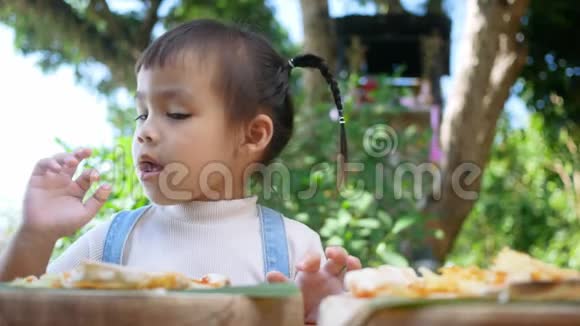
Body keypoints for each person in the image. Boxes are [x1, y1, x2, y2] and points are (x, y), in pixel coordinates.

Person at [0, 19, 361, 323]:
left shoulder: (297, 249)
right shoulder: (110, 243)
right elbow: (15, 313)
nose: (144, 131)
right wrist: (36, 236)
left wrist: (316, 314)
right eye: (141, 113)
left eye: (175, 114)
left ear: (253, 135)